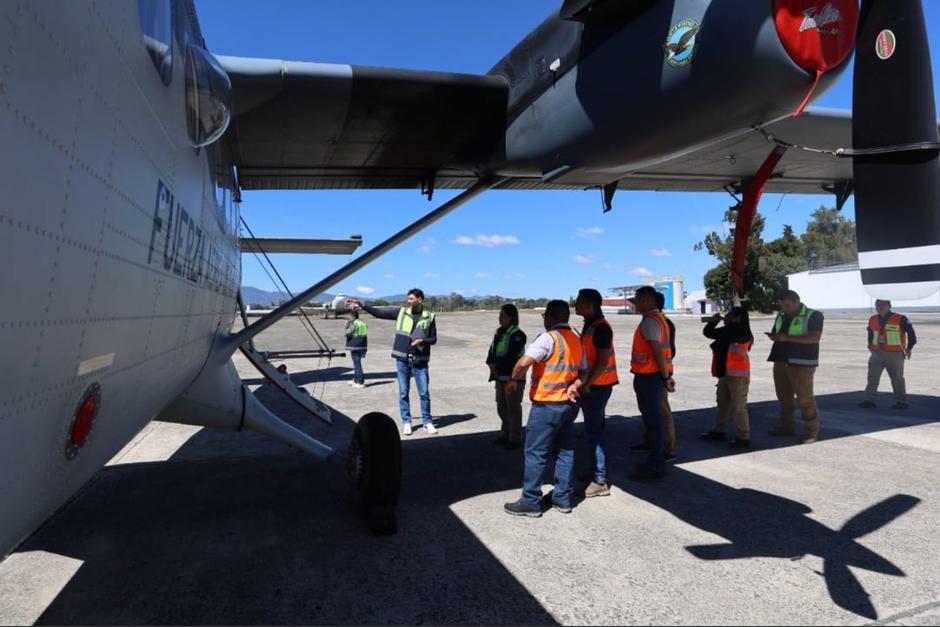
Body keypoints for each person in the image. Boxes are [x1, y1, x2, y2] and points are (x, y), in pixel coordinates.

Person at [503, 300, 586, 517]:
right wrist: (575, 385)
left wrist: (513, 380)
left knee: (535, 452)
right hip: (569, 405)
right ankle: (562, 498)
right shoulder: (576, 339)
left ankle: (530, 501)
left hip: (547, 405)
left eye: (544, 316)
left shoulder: (548, 338)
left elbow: (523, 363)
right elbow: (584, 372)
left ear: (550, 317)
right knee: (565, 451)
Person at [347, 288, 438, 436]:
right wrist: (362, 305)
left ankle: (427, 422)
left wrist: (423, 341)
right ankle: (407, 422)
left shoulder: (429, 316)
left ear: (420, 300)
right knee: (403, 393)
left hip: (420, 361)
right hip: (402, 359)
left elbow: (433, 339)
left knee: (424, 393)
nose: (408, 301)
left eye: (411, 299)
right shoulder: (401, 312)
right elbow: (379, 313)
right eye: (408, 298)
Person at [569, 288, 619, 498]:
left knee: (594, 434)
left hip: (597, 387)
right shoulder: (590, 325)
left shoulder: (601, 328)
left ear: (589, 306)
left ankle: (600, 480)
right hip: (593, 386)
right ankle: (594, 472)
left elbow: (603, 359)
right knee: (592, 432)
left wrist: (587, 383)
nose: (575, 304)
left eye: (579, 301)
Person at [629, 286, 675, 480]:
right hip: (652, 376)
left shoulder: (650, 321)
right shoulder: (659, 319)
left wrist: (665, 378)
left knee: (654, 421)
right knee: (654, 420)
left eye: (637, 300)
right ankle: (656, 460)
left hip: (650, 377)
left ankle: (656, 465)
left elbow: (657, 352)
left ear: (647, 301)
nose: (635, 304)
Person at [766, 289, 823, 445]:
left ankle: (811, 432)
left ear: (797, 301)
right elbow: (777, 332)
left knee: (805, 399)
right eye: (782, 305)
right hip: (780, 360)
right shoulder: (781, 315)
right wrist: (775, 336)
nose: (784, 308)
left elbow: (814, 338)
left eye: (787, 305)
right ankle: (787, 427)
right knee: (784, 397)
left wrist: (786, 338)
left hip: (802, 363)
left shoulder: (813, 315)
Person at [700, 307, 754, 447]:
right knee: (722, 404)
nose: (727, 316)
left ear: (738, 318)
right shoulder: (730, 329)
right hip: (725, 373)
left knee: (738, 406)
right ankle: (719, 430)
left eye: (730, 314)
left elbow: (719, 337)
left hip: (738, 374)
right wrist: (713, 322)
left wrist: (719, 321)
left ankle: (743, 436)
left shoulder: (740, 331)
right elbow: (709, 333)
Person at [859, 299, 917, 409]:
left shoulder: (900, 318)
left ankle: (902, 401)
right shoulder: (873, 319)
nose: (879, 307)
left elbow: (911, 332)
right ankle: (870, 400)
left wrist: (909, 348)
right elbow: (870, 332)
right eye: (877, 305)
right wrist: (870, 345)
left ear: (889, 306)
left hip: (895, 354)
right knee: (872, 377)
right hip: (877, 353)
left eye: (882, 304)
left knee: (897, 378)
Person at [486, 304, 527, 449]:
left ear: (511, 317)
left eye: (503, 315)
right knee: (502, 407)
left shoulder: (518, 335)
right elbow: (492, 351)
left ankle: (515, 438)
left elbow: (511, 357)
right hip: (500, 376)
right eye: (499, 315)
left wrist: (497, 366)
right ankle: (506, 433)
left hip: (513, 378)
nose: (500, 318)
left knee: (513, 408)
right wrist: (490, 363)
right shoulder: (499, 333)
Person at [344, 309, 368, 388]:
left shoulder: (354, 324)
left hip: (355, 346)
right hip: (362, 345)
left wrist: (347, 326)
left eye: (349, 316)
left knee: (357, 364)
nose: (348, 318)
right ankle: (355, 380)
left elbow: (347, 333)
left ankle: (360, 382)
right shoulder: (362, 323)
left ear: (353, 316)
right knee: (356, 364)